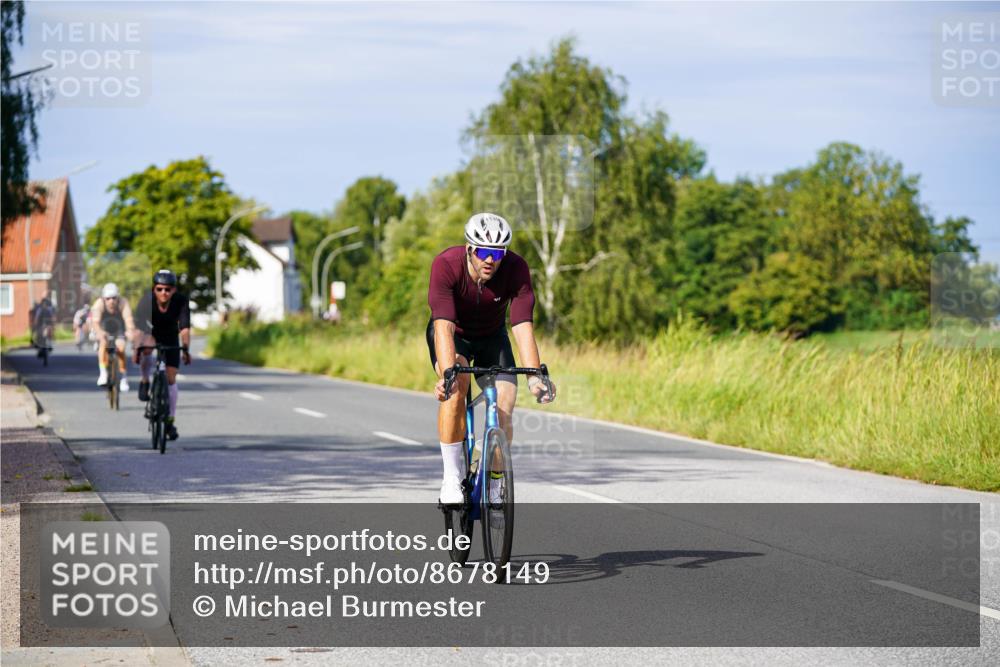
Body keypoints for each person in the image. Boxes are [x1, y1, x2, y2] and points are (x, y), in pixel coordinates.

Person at [427, 212, 556, 505]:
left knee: (506, 401)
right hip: (453, 334)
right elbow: (443, 326)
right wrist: (446, 375)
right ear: (470, 248)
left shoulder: (516, 269)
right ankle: (451, 477)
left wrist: (535, 376)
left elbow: (522, 325)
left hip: (492, 337)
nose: (490, 260)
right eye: (484, 252)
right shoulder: (446, 265)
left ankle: (495, 480)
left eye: (498, 253)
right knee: (456, 386)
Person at [133, 269, 191, 441]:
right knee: (147, 348)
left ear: (174, 290)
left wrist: (186, 350)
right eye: (159, 289)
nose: (163, 293)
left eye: (167, 289)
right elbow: (138, 329)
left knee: (171, 377)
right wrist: (137, 349)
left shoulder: (180, 301)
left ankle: (170, 420)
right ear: (154, 289)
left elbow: (185, 328)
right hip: (151, 332)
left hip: (171, 336)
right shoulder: (146, 300)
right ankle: (145, 380)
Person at [90, 283, 136, 390]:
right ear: (103, 299)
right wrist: (100, 332)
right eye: (108, 298)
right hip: (103, 328)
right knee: (103, 343)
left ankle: (124, 377)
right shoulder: (98, 304)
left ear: (118, 297)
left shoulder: (123, 303)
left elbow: (128, 319)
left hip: (119, 328)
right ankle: (103, 373)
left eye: (114, 298)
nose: (111, 301)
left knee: (121, 348)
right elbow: (95, 322)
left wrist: (130, 331)